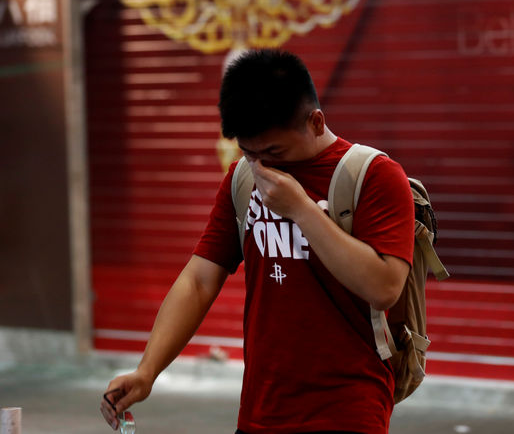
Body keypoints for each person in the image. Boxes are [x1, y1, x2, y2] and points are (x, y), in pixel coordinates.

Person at [100, 49, 415, 434]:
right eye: (250, 153)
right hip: (261, 408)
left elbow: (384, 287)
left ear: (316, 122)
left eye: (274, 152)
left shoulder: (375, 176)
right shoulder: (242, 179)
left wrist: (300, 208)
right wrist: (147, 370)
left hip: (349, 407)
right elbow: (199, 280)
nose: (264, 166)